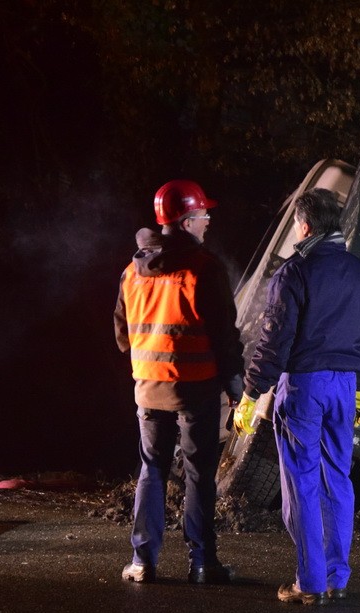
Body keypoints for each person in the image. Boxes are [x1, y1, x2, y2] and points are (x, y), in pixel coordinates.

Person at [234, 188, 360, 606]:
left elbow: (274, 339)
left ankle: (309, 582)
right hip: (345, 387)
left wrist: (251, 392)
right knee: (338, 479)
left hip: (305, 387)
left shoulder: (295, 272)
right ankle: (336, 575)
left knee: (302, 484)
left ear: (305, 224)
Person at [114, 179, 244, 584]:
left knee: (151, 469)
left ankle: (142, 561)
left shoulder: (130, 272)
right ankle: (203, 563)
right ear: (188, 221)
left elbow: (122, 335)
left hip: (148, 388)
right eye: (204, 215)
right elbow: (224, 334)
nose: (207, 223)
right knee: (199, 472)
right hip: (195, 387)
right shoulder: (204, 268)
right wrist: (235, 383)